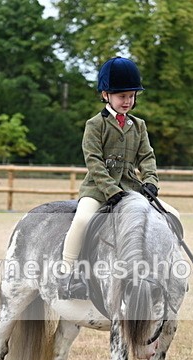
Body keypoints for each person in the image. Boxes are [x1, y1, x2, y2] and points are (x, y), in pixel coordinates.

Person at [60, 56, 180, 299]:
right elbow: (93, 161)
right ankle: (68, 274)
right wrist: (110, 190)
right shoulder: (95, 125)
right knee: (82, 220)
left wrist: (151, 181)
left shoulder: (139, 125)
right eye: (121, 96)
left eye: (131, 96)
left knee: (173, 215)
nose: (127, 101)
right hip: (98, 189)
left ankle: (165, 271)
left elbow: (147, 157)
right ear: (106, 95)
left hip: (131, 189)